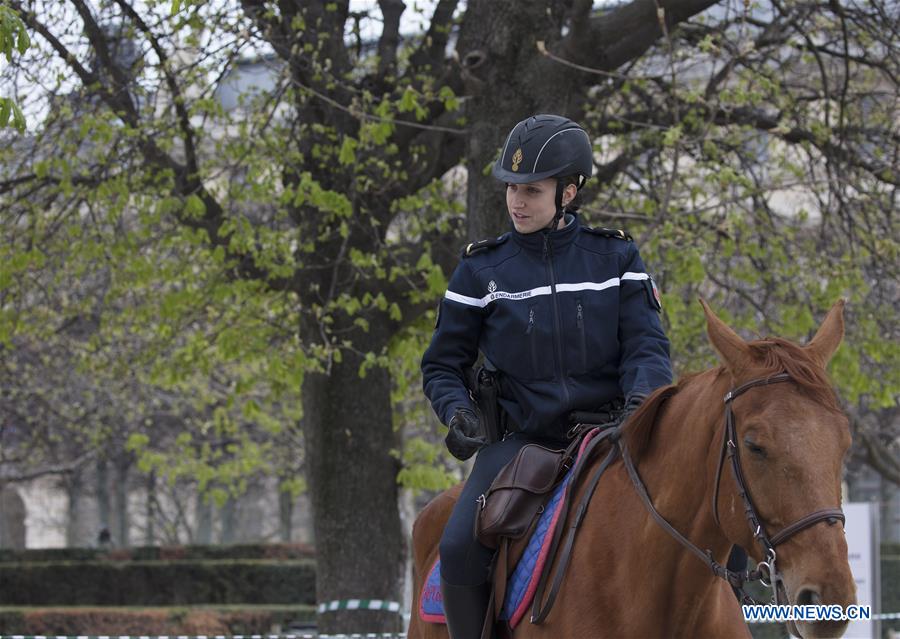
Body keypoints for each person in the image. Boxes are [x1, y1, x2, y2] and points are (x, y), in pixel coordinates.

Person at [420, 114, 673, 638]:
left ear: (569, 192)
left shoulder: (618, 258)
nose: (517, 201)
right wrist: (458, 412)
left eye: (532, 190)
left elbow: (646, 348)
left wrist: (642, 406)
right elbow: (442, 364)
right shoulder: (479, 271)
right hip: (520, 443)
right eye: (511, 188)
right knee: (458, 547)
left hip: (613, 433)